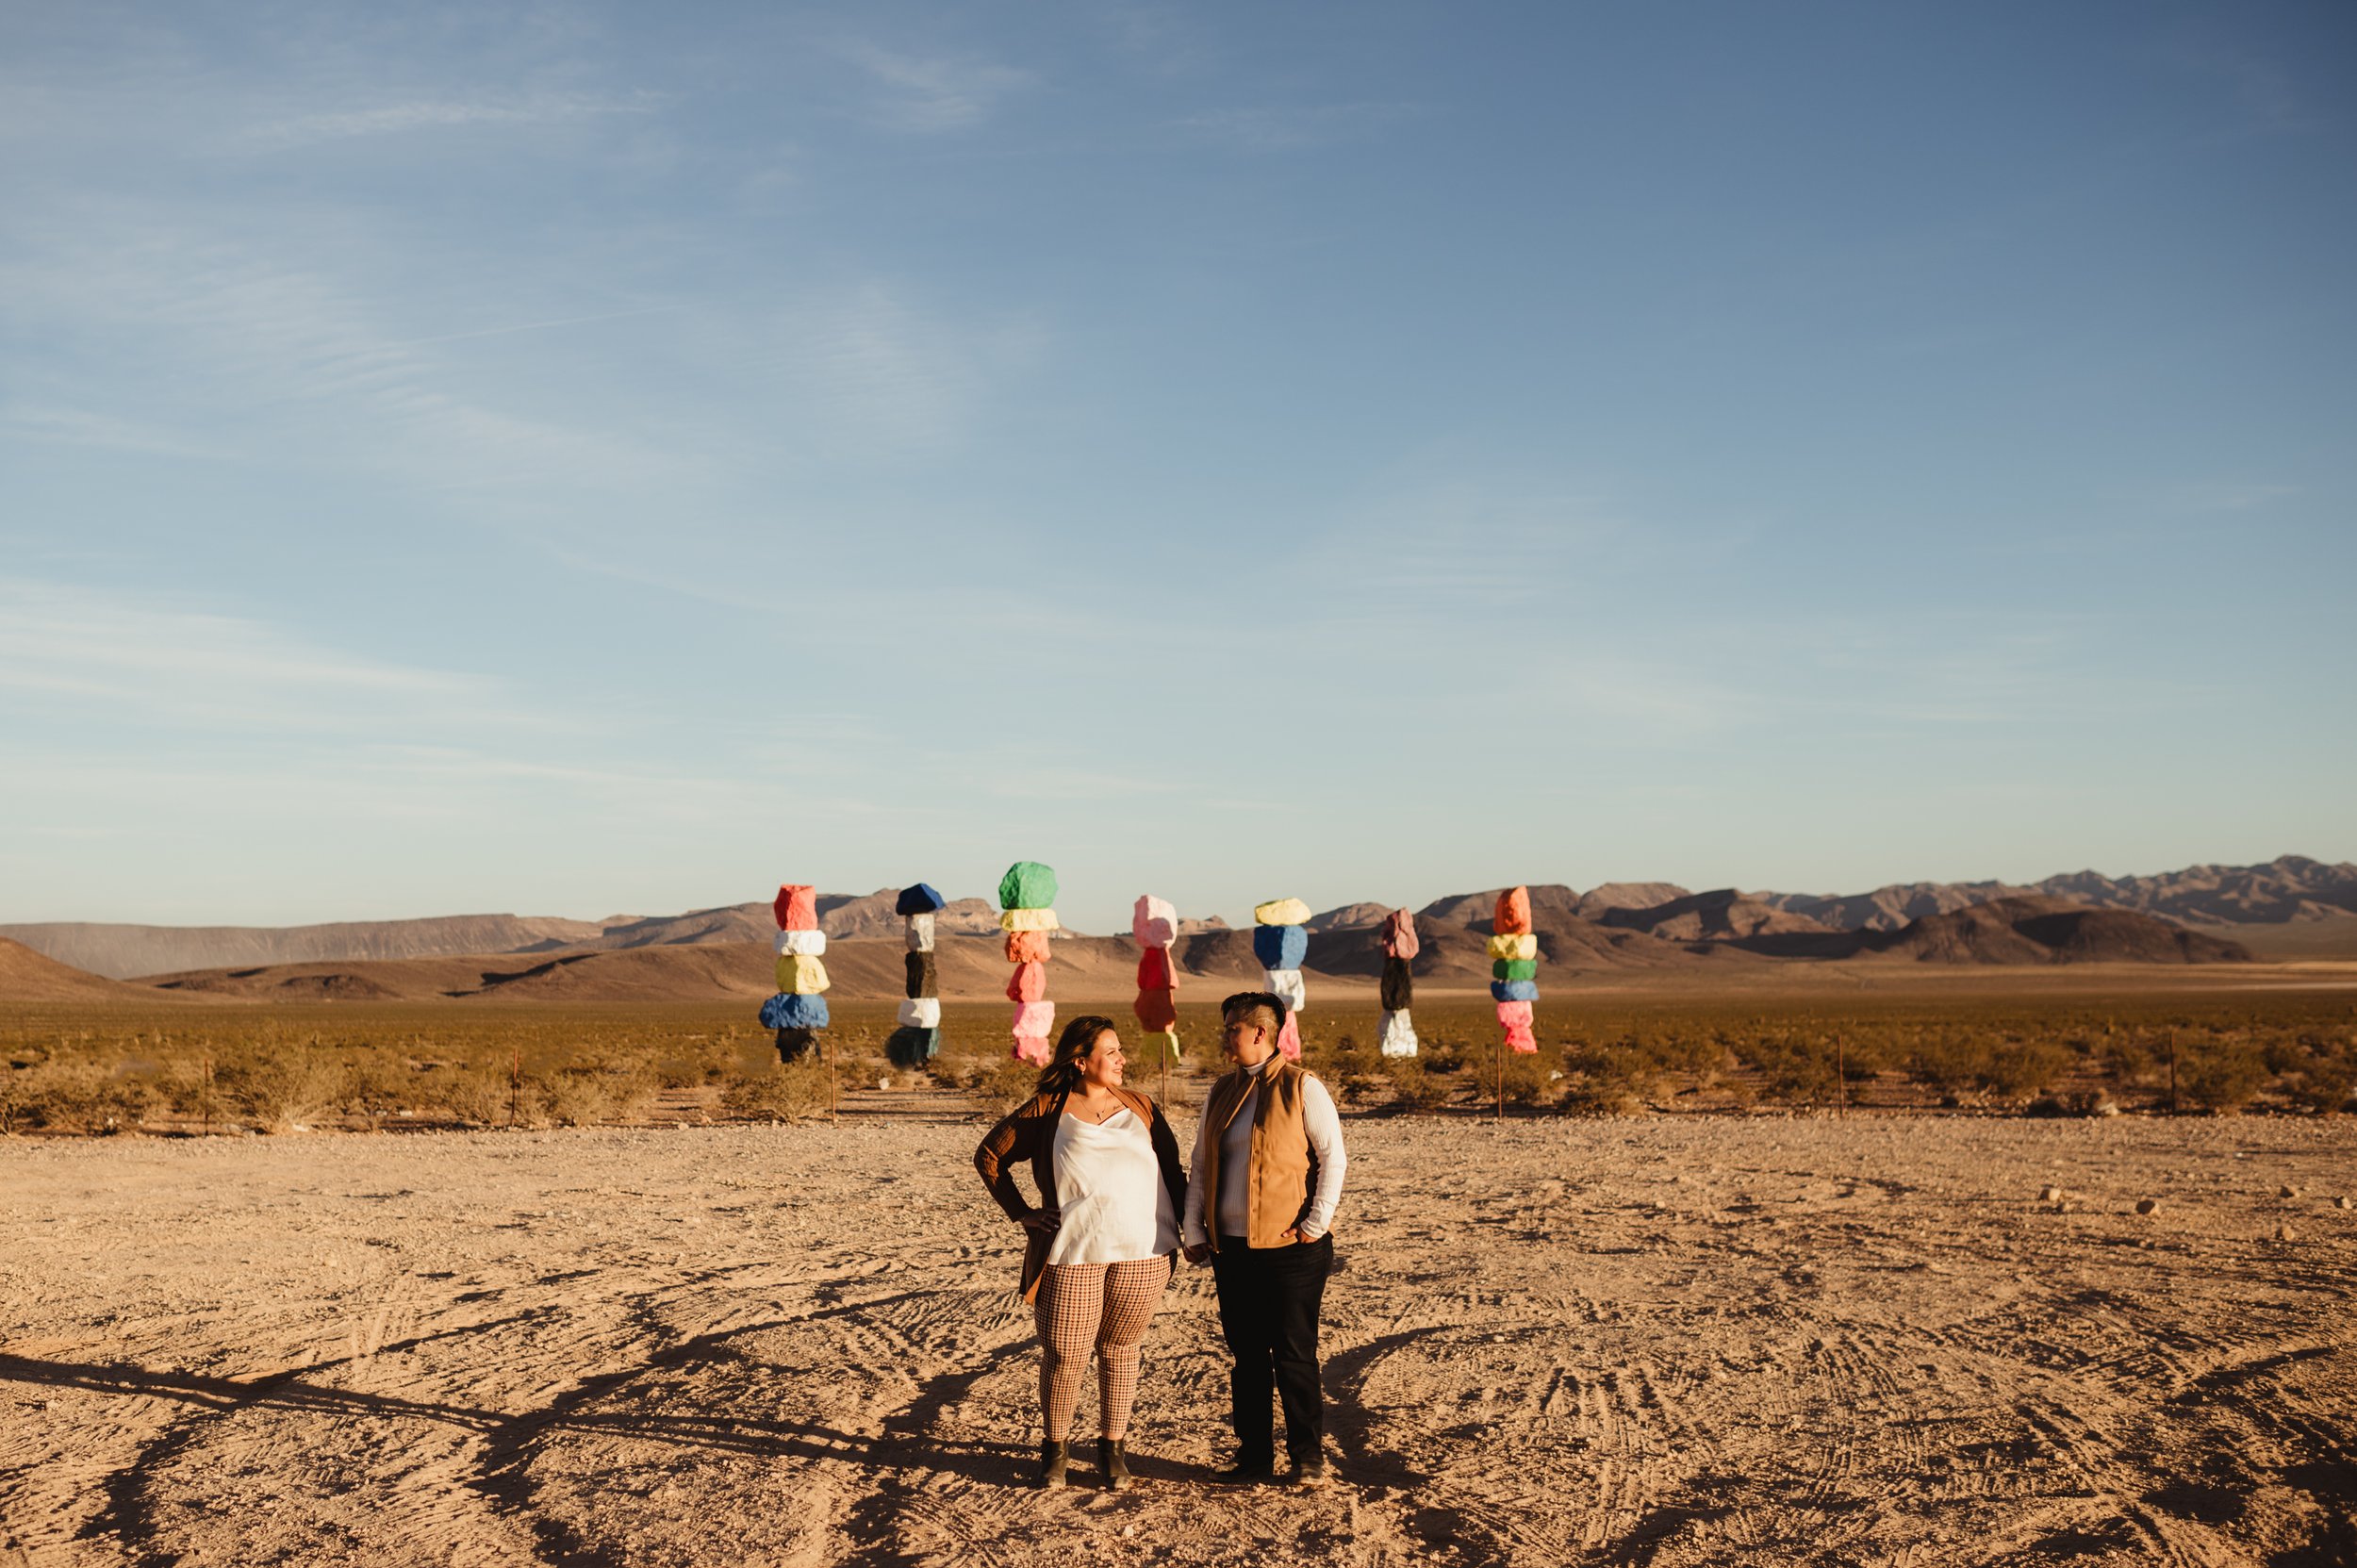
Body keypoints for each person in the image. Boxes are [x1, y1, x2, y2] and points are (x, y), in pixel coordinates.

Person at [974, 1014, 1187, 1491]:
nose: (1121, 1059)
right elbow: (990, 1156)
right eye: (1111, 1051)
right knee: (1064, 1355)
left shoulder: (1143, 1107)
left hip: (1145, 1252)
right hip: (1072, 1253)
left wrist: (1193, 1230)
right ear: (1080, 1060)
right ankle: (1056, 1449)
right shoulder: (1048, 1109)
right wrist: (1022, 1213)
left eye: (1120, 1051)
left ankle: (1113, 1449)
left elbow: (1174, 1173)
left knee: (1120, 1350)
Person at [1181, 991, 1348, 1486]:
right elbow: (1201, 1163)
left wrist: (1315, 1223)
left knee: (1294, 1353)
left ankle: (1307, 1456)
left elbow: (1332, 1158)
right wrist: (1195, 1227)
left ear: (1261, 1032)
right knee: (1247, 1359)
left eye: (1232, 1027)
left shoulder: (1302, 1087)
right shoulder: (1221, 1090)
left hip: (1291, 1249)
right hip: (1230, 1248)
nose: (1224, 1035)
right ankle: (1254, 1457)